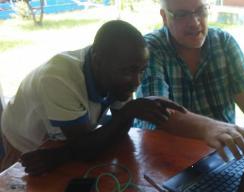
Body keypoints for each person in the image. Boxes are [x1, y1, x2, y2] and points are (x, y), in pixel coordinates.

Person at [0, 20, 186, 175]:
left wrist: (129, 112)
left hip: (59, 142)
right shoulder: (59, 78)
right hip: (23, 141)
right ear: (97, 61)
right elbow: (84, 149)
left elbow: (114, 133)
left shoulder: (114, 67)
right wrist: (127, 113)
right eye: (128, 72)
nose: (136, 82)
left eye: (141, 70)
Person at [136, 0, 244, 160]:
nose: (194, 22)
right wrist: (210, 128)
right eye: (182, 14)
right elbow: (158, 111)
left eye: (201, 10)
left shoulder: (224, 42)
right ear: (164, 16)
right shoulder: (151, 49)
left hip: (222, 156)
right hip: (164, 155)